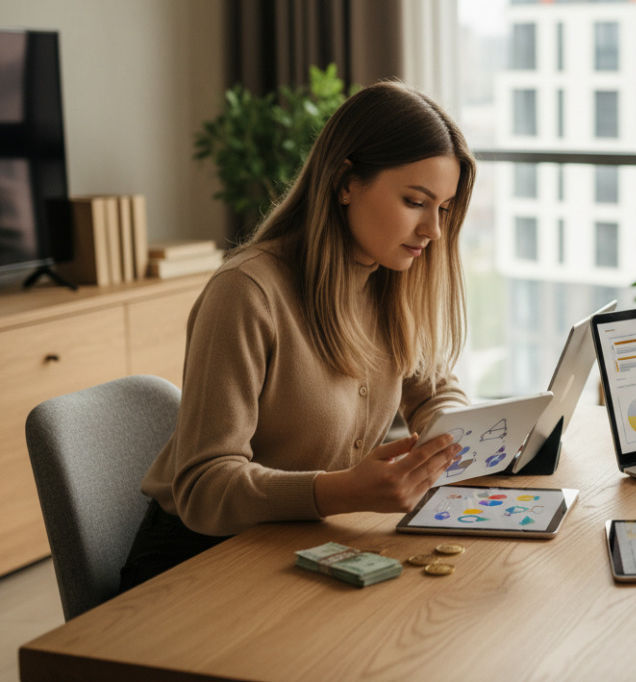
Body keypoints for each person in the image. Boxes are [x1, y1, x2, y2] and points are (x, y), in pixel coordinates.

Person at [120, 80, 474, 590]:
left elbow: (433, 384)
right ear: (346, 181)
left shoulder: (388, 279)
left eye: (442, 209)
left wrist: (454, 433)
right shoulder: (246, 293)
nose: (433, 232)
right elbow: (203, 486)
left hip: (298, 543)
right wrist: (344, 491)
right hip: (197, 560)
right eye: (416, 202)